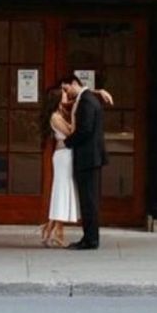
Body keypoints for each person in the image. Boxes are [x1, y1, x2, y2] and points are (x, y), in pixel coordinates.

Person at [61, 74, 108, 250]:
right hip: (91, 157)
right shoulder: (89, 98)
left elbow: (85, 130)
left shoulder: (86, 101)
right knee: (89, 199)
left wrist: (67, 142)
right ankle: (89, 237)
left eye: (66, 88)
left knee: (88, 200)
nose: (67, 93)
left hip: (88, 157)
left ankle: (90, 239)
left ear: (74, 83)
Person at [39, 86, 78, 248]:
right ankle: (54, 229)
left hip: (66, 155)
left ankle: (53, 229)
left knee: (64, 191)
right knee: (61, 191)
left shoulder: (60, 113)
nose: (66, 96)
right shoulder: (55, 117)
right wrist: (75, 114)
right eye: (63, 95)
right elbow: (70, 132)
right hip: (63, 157)